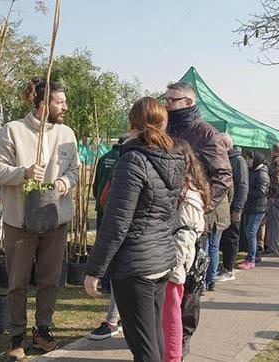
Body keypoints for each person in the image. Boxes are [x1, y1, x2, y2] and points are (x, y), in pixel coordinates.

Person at [84, 97, 184, 362]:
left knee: (144, 345)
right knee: (153, 338)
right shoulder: (173, 159)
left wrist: (94, 270)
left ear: (132, 123)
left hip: (136, 265)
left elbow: (116, 222)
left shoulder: (133, 161)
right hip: (160, 259)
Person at [0, 79, 80, 361]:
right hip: (20, 222)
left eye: (64, 102)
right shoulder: (13, 131)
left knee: (50, 280)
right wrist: (24, 173)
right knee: (17, 282)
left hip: (56, 219)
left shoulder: (67, 134)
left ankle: (43, 330)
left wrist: (64, 183)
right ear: (43, 104)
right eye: (59, 102)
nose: (65, 107)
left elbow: (75, 170)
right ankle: (17, 334)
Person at [163, 81, 232, 356]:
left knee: (189, 281)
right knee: (167, 279)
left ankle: (183, 335)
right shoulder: (166, 128)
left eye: (172, 100)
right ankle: (168, 331)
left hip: (192, 220)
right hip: (165, 216)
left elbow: (224, 176)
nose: (167, 104)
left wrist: (200, 204)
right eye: (166, 99)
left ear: (188, 103)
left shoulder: (205, 133)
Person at [163, 139, 210, 362]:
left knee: (173, 318)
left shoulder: (189, 196)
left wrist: (173, 270)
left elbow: (185, 239)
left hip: (174, 268)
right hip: (170, 265)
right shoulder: (177, 189)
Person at [88, 136, 127, 341]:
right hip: (119, 215)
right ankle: (114, 319)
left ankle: (104, 280)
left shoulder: (104, 157)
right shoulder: (126, 162)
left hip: (105, 209)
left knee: (105, 244)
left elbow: (97, 188)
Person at [216, 134, 248, 282]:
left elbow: (242, 186)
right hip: (224, 207)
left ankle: (229, 269)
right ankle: (224, 266)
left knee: (232, 237)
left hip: (233, 206)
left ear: (226, 145)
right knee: (224, 238)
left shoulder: (238, 161)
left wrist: (238, 208)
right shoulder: (226, 159)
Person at [237, 150, 270, 270]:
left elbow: (262, 191)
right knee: (248, 232)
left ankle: (251, 259)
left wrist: (246, 192)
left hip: (258, 207)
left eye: (249, 158)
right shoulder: (251, 171)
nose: (247, 161)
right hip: (249, 207)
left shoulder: (262, 173)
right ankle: (255, 255)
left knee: (251, 232)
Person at [263, 143, 279, 255]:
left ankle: (273, 248)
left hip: (277, 195)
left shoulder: (276, 162)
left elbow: (276, 180)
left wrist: (273, 195)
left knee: (274, 223)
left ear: (273, 151)